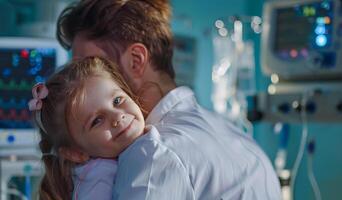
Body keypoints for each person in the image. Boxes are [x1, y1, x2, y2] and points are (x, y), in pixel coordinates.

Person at [56, 0, 282, 199]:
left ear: (135, 61)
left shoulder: (153, 154)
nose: (81, 81)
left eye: (91, 66)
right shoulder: (237, 138)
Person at [29, 57, 156, 200]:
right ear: (75, 153)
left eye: (117, 100)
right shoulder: (99, 179)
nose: (117, 116)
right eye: (97, 121)